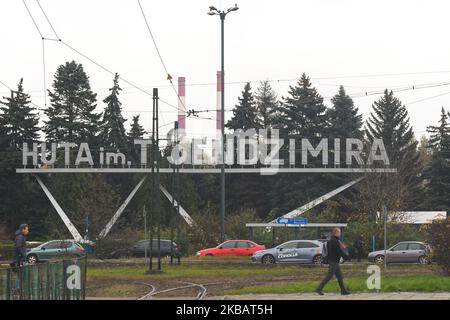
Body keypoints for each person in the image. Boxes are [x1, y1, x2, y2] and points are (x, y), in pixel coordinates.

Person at [315, 228, 350, 295]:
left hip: (333, 261)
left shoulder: (331, 240)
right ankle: (319, 289)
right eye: (339, 233)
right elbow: (339, 251)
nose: (340, 234)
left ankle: (343, 291)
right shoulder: (335, 241)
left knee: (339, 276)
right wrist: (346, 257)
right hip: (334, 261)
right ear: (336, 233)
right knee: (329, 276)